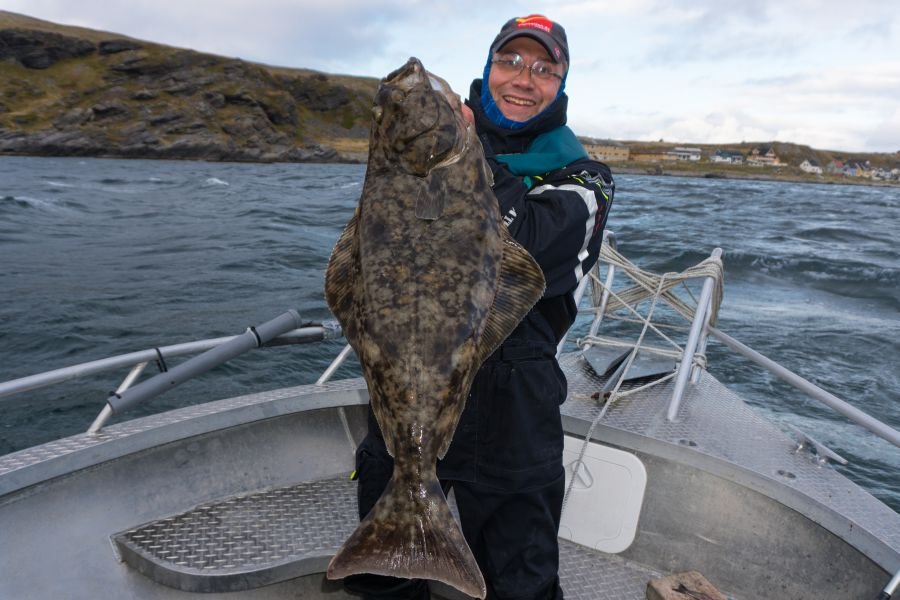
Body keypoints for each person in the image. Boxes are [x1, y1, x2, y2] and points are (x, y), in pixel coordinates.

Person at [345, 14, 614, 600]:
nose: (524, 78)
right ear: (488, 68)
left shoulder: (584, 177)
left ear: (561, 84)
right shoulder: (421, 164)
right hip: (406, 393)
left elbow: (541, 254)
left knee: (522, 580)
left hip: (515, 410)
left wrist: (464, 158)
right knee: (386, 581)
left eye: (543, 68)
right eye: (510, 61)